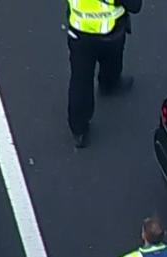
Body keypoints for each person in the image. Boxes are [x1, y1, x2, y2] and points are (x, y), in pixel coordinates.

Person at [64, 0, 142, 148]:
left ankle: (79, 130)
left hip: (79, 32)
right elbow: (135, 6)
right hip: (111, 34)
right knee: (112, 63)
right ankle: (109, 85)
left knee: (80, 82)